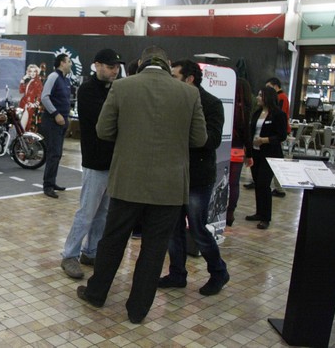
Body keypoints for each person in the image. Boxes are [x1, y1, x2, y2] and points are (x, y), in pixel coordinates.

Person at [76, 46, 207, 324]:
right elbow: (199, 139)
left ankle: (96, 293)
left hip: (128, 181)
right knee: (154, 249)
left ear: (141, 63)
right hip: (169, 187)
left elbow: (103, 130)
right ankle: (137, 311)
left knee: (113, 240)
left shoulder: (122, 87)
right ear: (167, 63)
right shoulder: (189, 93)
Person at [158, 59, 228, 296]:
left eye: (174, 77)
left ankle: (219, 272)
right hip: (174, 174)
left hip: (198, 177)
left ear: (189, 79)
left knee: (197, 229)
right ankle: (177, 274)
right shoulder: (172, 102)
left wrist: (183, 135)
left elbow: (212, 140)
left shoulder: (212, 104)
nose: (170, 81)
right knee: (173, 227)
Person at [60, 49, 122, 279]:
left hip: (113, 161)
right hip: (95, 161)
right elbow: (104, 121)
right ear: (97, 65)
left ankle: (91, 251)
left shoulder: (116, 89)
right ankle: (70, 254)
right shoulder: (87, 90)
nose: (115, 71)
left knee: (102, 213)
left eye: (117, 67)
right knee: (87, 211)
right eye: (110, 66)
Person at [245, 86, 287, 230]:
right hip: (256, 153)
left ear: (267, 97)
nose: (257, 98)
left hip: (270, 154)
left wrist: (264, 140)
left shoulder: (278, 114)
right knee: (257, 183)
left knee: (264, 184)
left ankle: (266, 217)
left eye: (260, 95)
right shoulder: (257, 113)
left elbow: (282, 136)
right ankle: (259, 212)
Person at [40, 53, 72, 198]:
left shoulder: (65, 80)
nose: (71, 64)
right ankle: (48, 186)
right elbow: (44, 97)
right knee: (54, 153)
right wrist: (56, 114)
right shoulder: (53, 77)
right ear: (62, 63)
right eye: (69, 61)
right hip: (53, 121)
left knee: (57, 154)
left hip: (62, 121)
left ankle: (52, 182)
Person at [227, 77, 253, 226]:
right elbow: (247, 134)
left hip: (224, 148)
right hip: (237, 151)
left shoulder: (227, 105)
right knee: (234, 183)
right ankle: (230, 212)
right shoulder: (245, 110)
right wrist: (249, 154)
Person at [265, 77, 290, 198]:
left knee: (277, 160)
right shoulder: (281, 97)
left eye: (269, 87)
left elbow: (281, 114)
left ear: (275, 86)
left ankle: (279, 188)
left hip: (277, 133)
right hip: (275, 133)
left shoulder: (282, 97)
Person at [18, 64, 43, 132]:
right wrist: (23, 79)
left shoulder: (38, 82)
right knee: (22, 126)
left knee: (25, 126)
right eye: (30, 71)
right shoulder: (30, 81)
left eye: (34, 71)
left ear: (37, 72)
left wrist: (35, 104)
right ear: (28, 72)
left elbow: (39, 95)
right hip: (23, 104)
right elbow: (21, 90)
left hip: (29, 106)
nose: (32, 73)